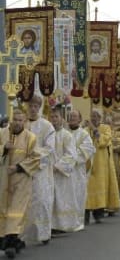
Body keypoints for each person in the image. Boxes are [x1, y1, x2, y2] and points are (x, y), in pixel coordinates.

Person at [0, 109, 40, 259]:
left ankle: (11, 244)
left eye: (20, 120)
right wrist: (4, 149)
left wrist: (18, 167)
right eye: (15, 120)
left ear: (25, 122)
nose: (17, 123)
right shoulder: (2, 134)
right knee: (3, 210)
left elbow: (35, 159)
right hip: (3, 180)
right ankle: (11, 241)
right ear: (11, 120)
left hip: (21, 182)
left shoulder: (31, 138)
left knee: (16, 212)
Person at [23, 95, 55, 245]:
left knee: (41, 200)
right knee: (24, 202)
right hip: (23, 169)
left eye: (36, 106)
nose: (33, 109)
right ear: (27, 107)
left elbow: (49, 149)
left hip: (40, 170)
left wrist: (33, 155)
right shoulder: (21, 124)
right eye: (31, 106)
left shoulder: (47, 126)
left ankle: (43, 233)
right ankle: (22, 235)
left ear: (40, 107)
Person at [84, 110, 120, 224]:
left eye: (96, 116)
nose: (94, 118)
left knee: (99, 187)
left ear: (100, 118)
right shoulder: (86, 129)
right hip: (87, 163)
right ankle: (85, 214)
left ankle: (98, 213)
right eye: (92, 116)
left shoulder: (105, 128)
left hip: (101, 163)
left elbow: (103, 142)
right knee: (86, 189)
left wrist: (94, 130)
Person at [49, 107, 81, 233]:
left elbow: (71, 155)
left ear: (62, 119)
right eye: (52, 117)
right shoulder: (48, 134)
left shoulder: (67, 135)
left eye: (56, 117)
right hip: (49, 172)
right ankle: (50, 224)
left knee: (61, 199)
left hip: (61, 173)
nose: (54, 120)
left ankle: (61, 225)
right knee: (50, 198)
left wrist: (58, 166)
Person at [68, 110, 95, 230]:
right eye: (71, 116)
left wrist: (70, 158)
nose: (73, 118)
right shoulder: (63, 132)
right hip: (64, 171)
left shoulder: (84, 134)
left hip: (77, 170)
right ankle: (64, 222)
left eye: (75, 116)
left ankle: (77, 222)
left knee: (77, 195)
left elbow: (88, 149)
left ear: (79, 119)